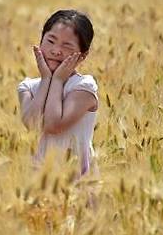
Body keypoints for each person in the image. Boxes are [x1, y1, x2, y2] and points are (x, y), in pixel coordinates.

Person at [17, 10, 100, 187]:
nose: (56, 51)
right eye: (51, 41)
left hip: (77, 182)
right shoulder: (28, 87)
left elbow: (53, 125)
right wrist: (47, 79)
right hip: (37, 179)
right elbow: (32, 125)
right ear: (40, 42)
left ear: (83, 55)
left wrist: (58, 80)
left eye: (67, 46)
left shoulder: (84, 87)